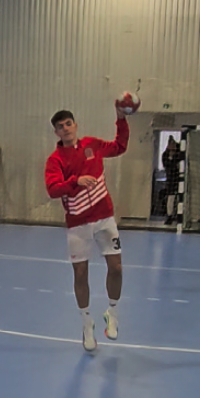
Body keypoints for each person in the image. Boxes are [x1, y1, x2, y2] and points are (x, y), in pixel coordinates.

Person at [45, 102, 129, 351]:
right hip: (78, 224)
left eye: (68, 124)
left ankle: (112, 313)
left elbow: (120, 146)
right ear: (56, 132)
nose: (66, 129)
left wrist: (121, 118)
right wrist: (75, 181)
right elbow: (53, 189)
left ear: (75, 125)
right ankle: (86, 323)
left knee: (116, 268)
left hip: (104, 218)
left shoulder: (92, 145)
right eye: (60, 127)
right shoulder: (55, 160)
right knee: (80, 274)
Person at [162, 136, 182, 224]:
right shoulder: (165, 155)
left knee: (179, 198)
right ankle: (169, 215)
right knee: (170, 198)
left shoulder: (179, 155)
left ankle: (178, 215)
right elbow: (166, 165)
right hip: (170, 179)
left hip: (179, 179)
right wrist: (170, 157)